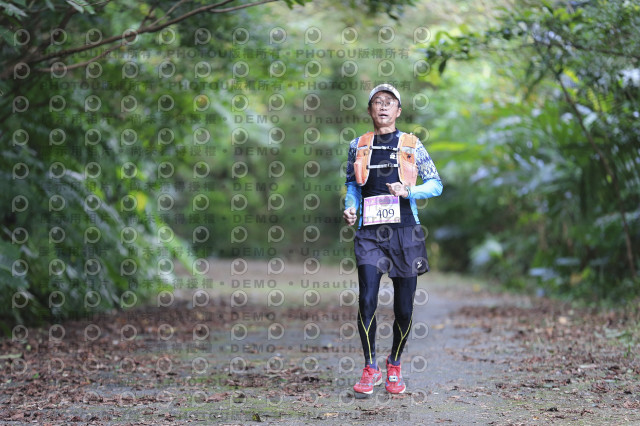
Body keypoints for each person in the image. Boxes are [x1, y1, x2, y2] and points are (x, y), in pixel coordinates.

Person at [343, 83, 443, 394]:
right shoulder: (358, 145)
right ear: (370, 110)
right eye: (377, 102)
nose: (383, 106)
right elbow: (352, 185)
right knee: (367, 299)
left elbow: (436, 184)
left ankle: (394, 363)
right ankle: (370, 367)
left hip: (405, 233)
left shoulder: (412, 145)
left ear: (398, 111)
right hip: (369, 233)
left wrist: (408, 190)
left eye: (390, 102)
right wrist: (350, 207)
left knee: (404, 308)